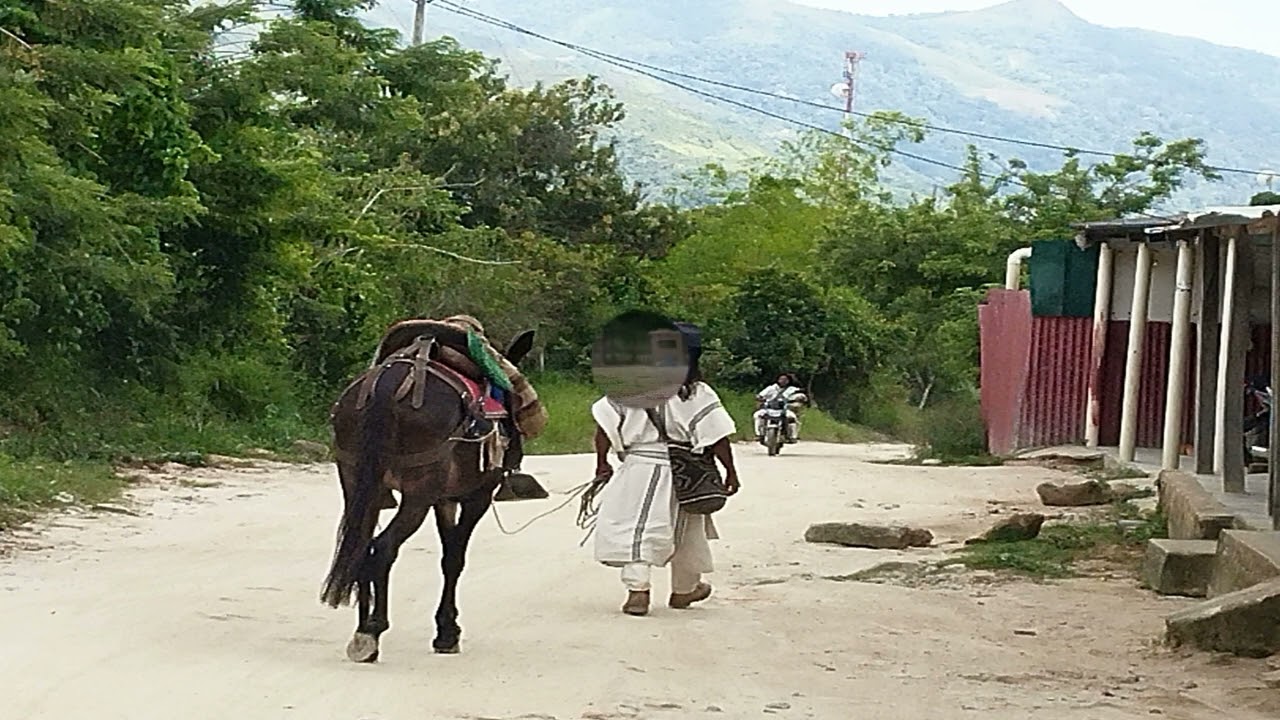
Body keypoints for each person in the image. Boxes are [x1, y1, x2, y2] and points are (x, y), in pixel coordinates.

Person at [590, 322, 741, 617]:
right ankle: (685, 590)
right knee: (686, 531)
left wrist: (602, 463)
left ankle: (638, 591)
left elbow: (603, 428)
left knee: (635, 527)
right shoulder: (696, 392)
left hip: (638, 466)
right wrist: (730, 472)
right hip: (685, 472)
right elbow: (717, 436)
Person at [369, 314, 548, 503]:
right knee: (506, 390)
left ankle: (375, 474)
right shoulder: (479, 350)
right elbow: (513, 382)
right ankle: (509, 468)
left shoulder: (406, 345)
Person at [753, 373, 804, 443]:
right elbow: (760, 395)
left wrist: (798, 399)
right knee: (757, 415)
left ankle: (792, 436)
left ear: (789, 380)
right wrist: (759, 398)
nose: (783, 381)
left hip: (784, 410)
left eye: (785, 379)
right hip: (769, 409)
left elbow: (801, 396)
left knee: (792, 418)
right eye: (781, 379)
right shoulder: (771, 388)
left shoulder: (793, 390)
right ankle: (759, 434)